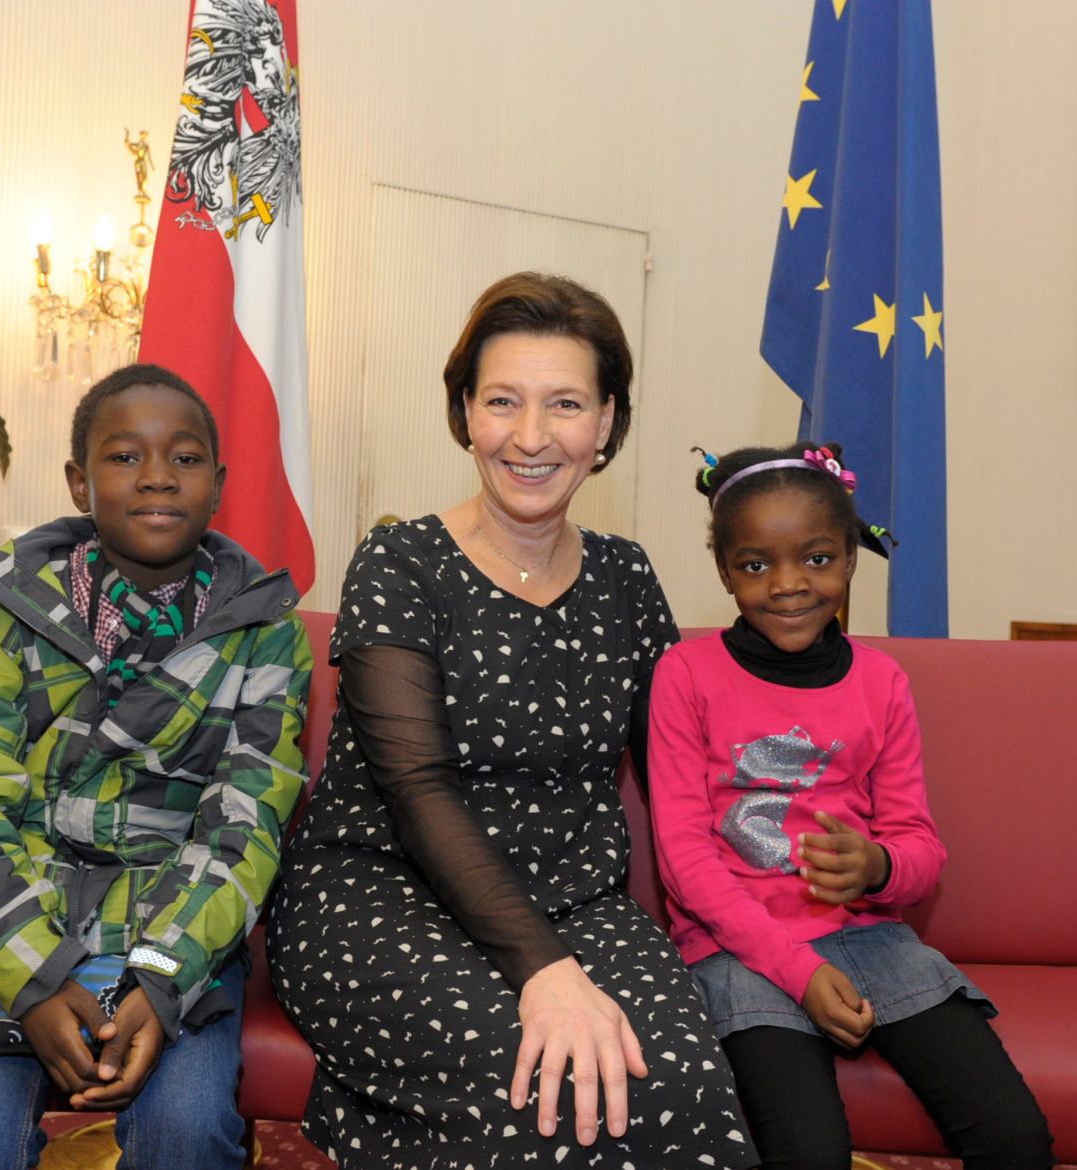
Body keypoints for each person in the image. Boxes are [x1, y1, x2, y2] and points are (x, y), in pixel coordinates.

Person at [267, 272, 758, 1170]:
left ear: (606, 423)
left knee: (685, 1087)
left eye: (565, 403)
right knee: (542, 1091)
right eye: (502, 401)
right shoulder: (399, 563)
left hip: (576, 898)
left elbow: (681, 771)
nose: (531, 437)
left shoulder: (627, 577)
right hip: (383, 897)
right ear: (465, 412)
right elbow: (416, 790)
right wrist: (546, 972)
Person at [0, 362, 312, 1169]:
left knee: (187, 1134)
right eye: (125, 457)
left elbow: (247, 825)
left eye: (185, 458)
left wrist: (159, 978)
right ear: (78, 481)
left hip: (178, 932)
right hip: (12, 918)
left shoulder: (266, 631)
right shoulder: (5, 607)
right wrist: (32, 976)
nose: (158, 476)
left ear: (219, 483)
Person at [647, 442, 1053, 1170]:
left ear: (850, 560)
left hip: (871, 941)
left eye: (817, 558)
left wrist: (877, 867)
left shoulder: (881, 681)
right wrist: (798, 972)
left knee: (1014, 1137)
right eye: (755, 565)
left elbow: (920, 850)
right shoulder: (685, 674)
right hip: (739, 946)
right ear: (724, 573)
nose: (788, 585)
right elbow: (683, 861)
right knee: (809, 1153)